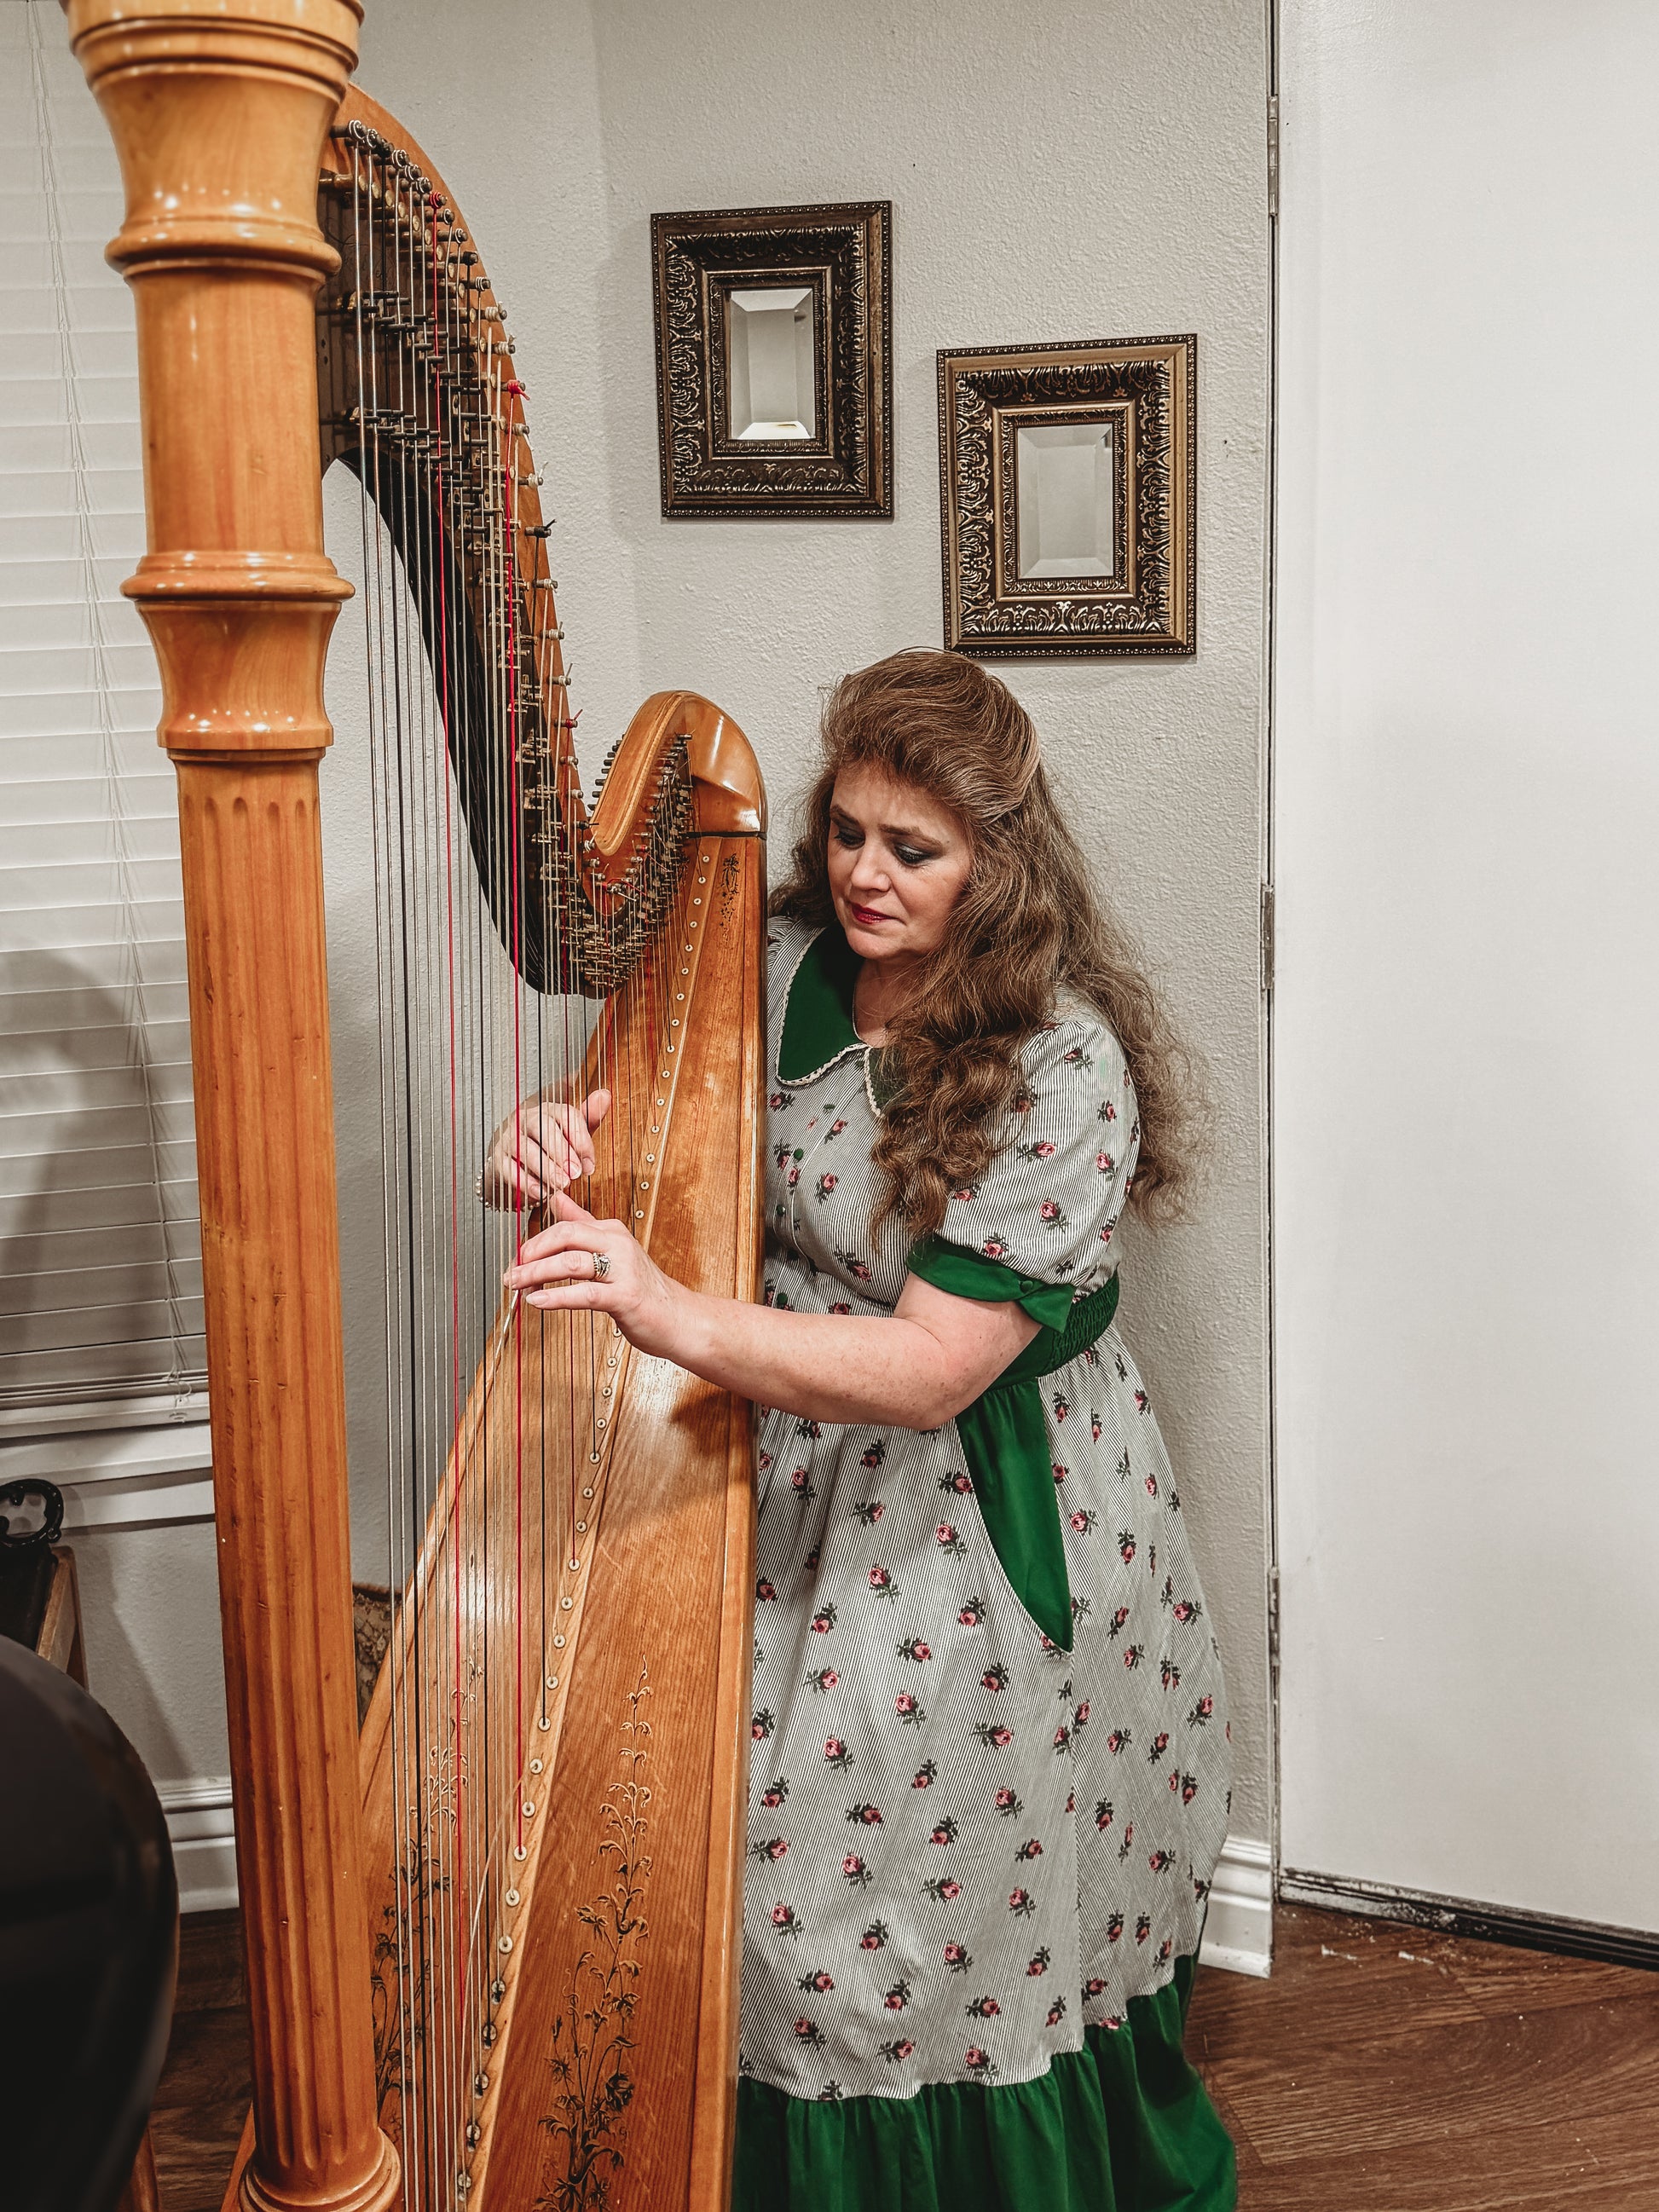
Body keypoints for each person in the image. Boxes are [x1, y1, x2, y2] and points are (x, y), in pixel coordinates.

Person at [494, 649, 1234, 2211]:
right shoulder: (762, 967)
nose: (863, 876)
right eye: (845, 832)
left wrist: (669, 1317)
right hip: (763, 1451)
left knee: (890, 1901)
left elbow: (928, 1374)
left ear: (999, 866)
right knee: (758, 1882)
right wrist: (553, 1134)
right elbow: (627, 1124)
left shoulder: (1059, 1060)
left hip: (960, 1503)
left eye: (915, 850)